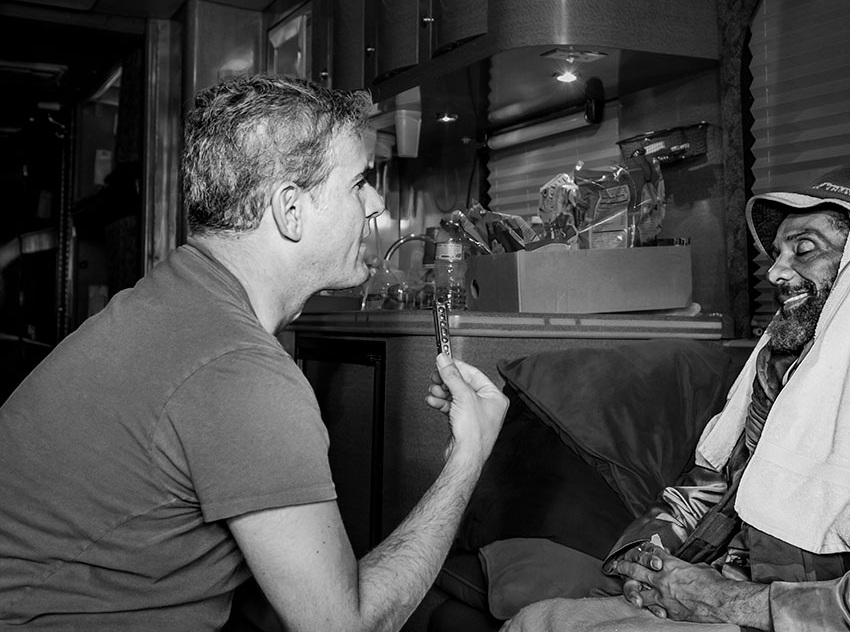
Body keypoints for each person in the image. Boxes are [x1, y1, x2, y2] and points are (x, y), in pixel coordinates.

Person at [0, 74, 509, 631]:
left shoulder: (177, 299)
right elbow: (343, 626)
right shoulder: (239, 372)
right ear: (290, 210)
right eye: (358, 182)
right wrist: (468, 456)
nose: (376, 201)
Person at [500, 163, 850, 631]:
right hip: (733, 588)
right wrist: (646, 562)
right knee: (534, 616)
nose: (776, 273)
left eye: (804, 249)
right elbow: (716, 482)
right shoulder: (788, 366)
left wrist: (719, 599)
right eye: (777, 255)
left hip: (770, 612)